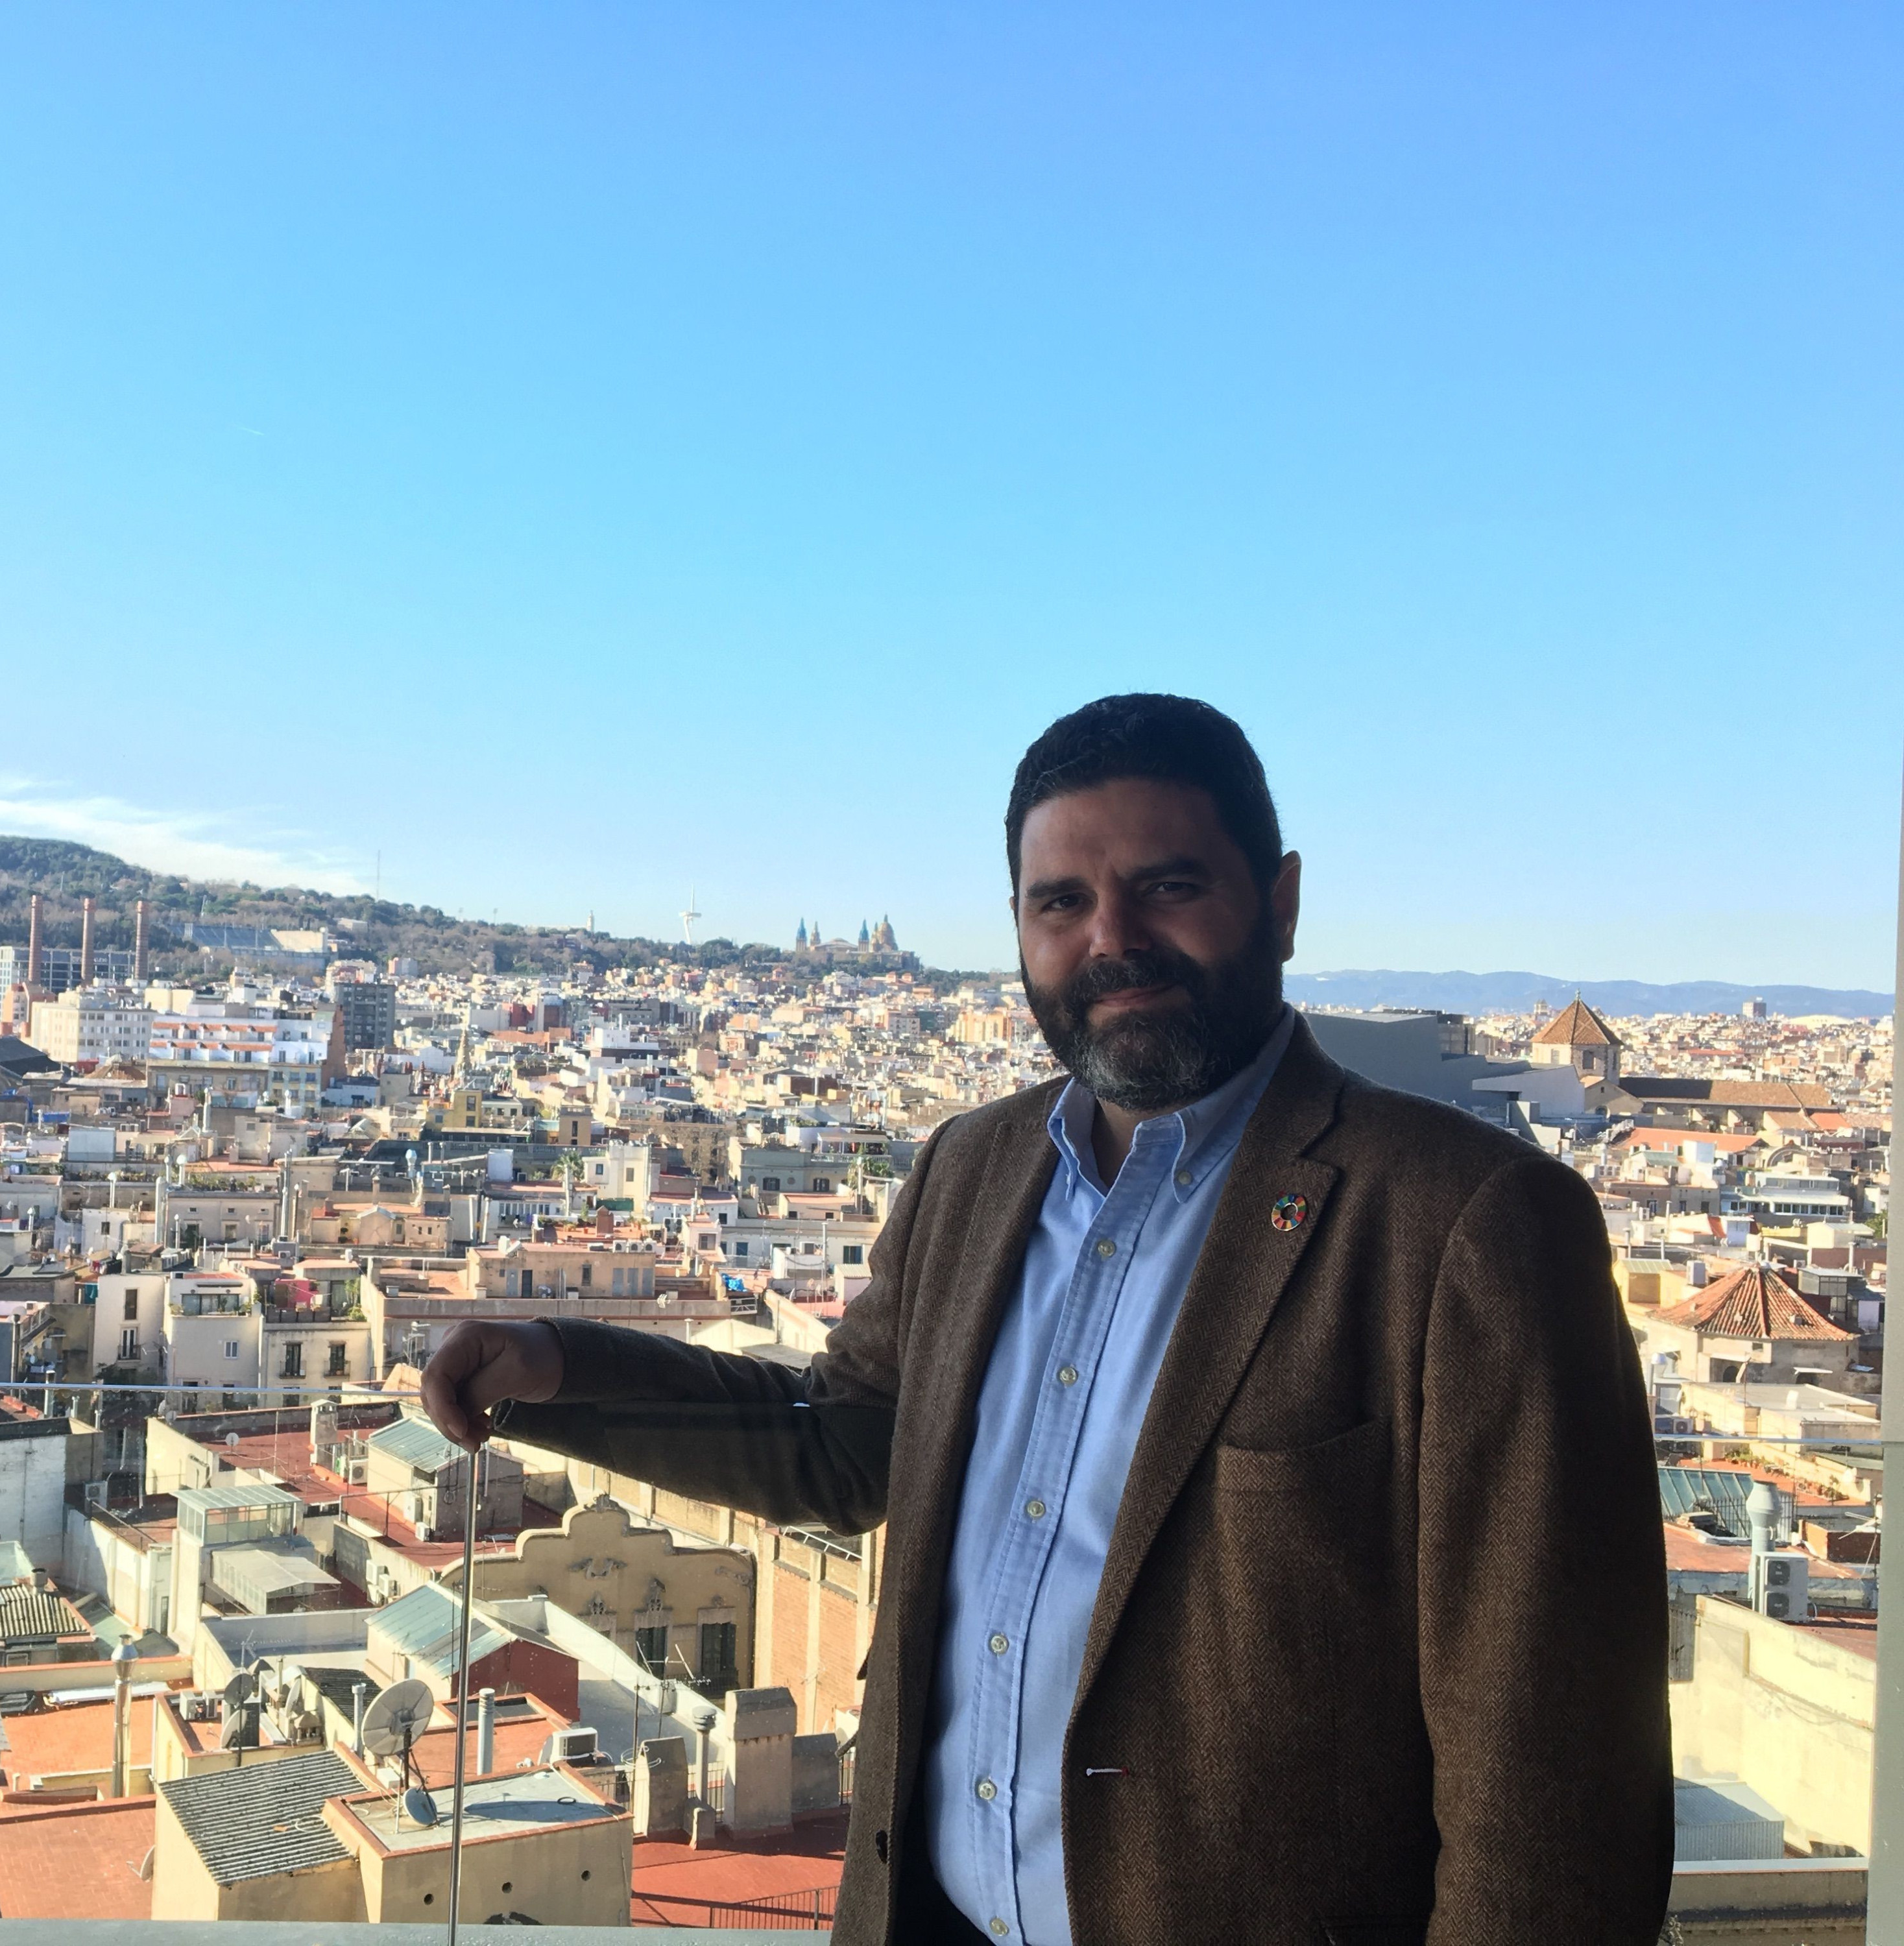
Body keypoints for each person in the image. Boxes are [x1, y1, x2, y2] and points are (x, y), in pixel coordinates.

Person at [424, 693, 1670, 1946]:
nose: (1111, 940)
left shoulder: (1470, 1227)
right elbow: (839, 1436)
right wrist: (556, 1368)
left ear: (1281, 902)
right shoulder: (974, 1167)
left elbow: (1553, 1799)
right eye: (1061, 902)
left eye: (1169, 885)